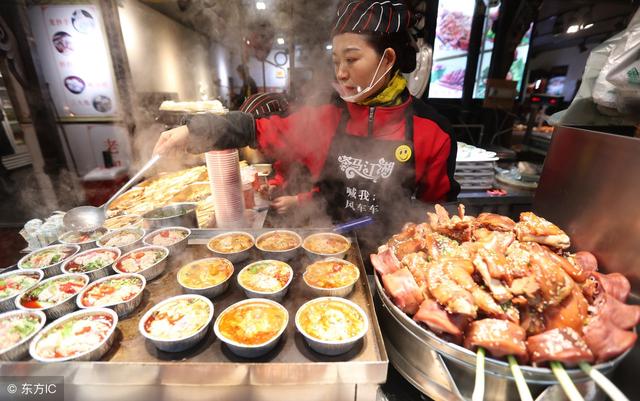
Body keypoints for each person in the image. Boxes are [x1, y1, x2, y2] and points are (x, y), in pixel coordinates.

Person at [154, 0, 460, 253]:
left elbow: (435, 215)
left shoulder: (433, 131)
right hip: (323, 249)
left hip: (391, 263)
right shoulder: (327, 115)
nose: (340, 73)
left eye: (352, 59)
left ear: (388, 58)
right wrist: (193, 130)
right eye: (336, 60)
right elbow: (258, 129)